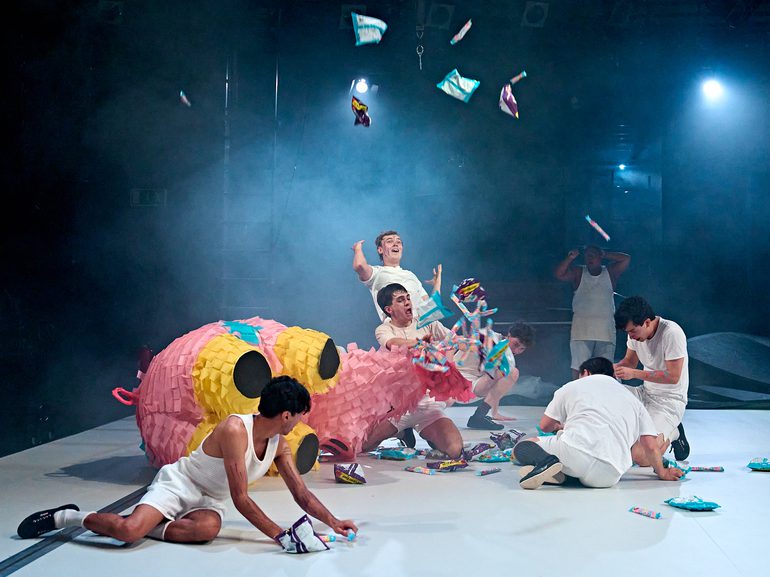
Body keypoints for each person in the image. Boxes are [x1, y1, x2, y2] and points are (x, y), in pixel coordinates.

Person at [18, 377, 358, 551]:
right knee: (127, 534)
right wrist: (280, 535)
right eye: (299, 415)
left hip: (210, 499)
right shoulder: (235, 429)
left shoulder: (280, 444)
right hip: (182, 484)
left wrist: (333, 520)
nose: (300, 421)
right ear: (287, 414)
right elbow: (241, 498)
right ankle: (67, 516)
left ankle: (146, 521)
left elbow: (301, 494)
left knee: (207, 530)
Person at [515, 357, 684, 489]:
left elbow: (545, 426)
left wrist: (558, 427)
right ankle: (565, 476)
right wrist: (662, 472)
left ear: (586, 373)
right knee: (580, 462)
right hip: (610, 475)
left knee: (524, 446)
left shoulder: (572, 386)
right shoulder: (633, 400)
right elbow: (650, 445)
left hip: (575, 454)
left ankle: (549, 463)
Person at [361, 283, 464, 459]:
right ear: (389, 309)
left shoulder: (427, 322)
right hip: (397, 408)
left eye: (408, 298)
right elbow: (393, 342)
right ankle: (400, 432)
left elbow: (454, 341)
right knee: (362, 447)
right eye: (401, 300)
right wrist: (419, 344)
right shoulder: (384, 329)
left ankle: (430, 434)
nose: (408, 302)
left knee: (454, 450)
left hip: (427, 404)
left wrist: (476, 343)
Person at [613, 296, 690, 461]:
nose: (631, 336)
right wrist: (614, 368)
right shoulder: (635, 334)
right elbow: (630, 362)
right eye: (628, 332)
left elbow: (673, 376)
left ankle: (674, 432)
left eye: (633, 331)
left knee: (642, 458)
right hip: (644, 393)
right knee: (605, 394)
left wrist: (634, 374)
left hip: (669, 402)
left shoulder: (672, 333)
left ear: (647, 322)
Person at [555, 245, 631, 379]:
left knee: (605, 368)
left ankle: (603, 396)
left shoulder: (610, 272)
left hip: (605, 330)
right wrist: (569, 258)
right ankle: (577, 395)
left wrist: (605, 254)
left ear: (600, 257)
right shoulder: (579, 272)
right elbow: (559, 274)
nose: (589, 258)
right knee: (579, 366)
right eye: (587, 255)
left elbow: (626, 259)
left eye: (593, 255)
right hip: (582, 330)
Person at [457, 321, 536, 430]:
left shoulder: (507, 355)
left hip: (475, 386)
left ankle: (479, 416)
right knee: (511, 372)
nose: (516, 351)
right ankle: (478, 417)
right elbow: (458, 342)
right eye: (516, 344)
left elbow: (497, 381)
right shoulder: (489, 338)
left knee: (510, 371)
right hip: (458, 384)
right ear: (508, 335)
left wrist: (495, 413)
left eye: (521, 349)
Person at [352, 230, 442, 322]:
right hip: (399, 330)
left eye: (398, 241)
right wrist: (357, 249)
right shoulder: (376, 273)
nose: (395, 244)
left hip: (424, 328)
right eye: (390, 241)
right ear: (380, 249)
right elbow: (360, 266)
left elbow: (431, 308)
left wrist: (437, 284)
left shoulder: (411, 275)